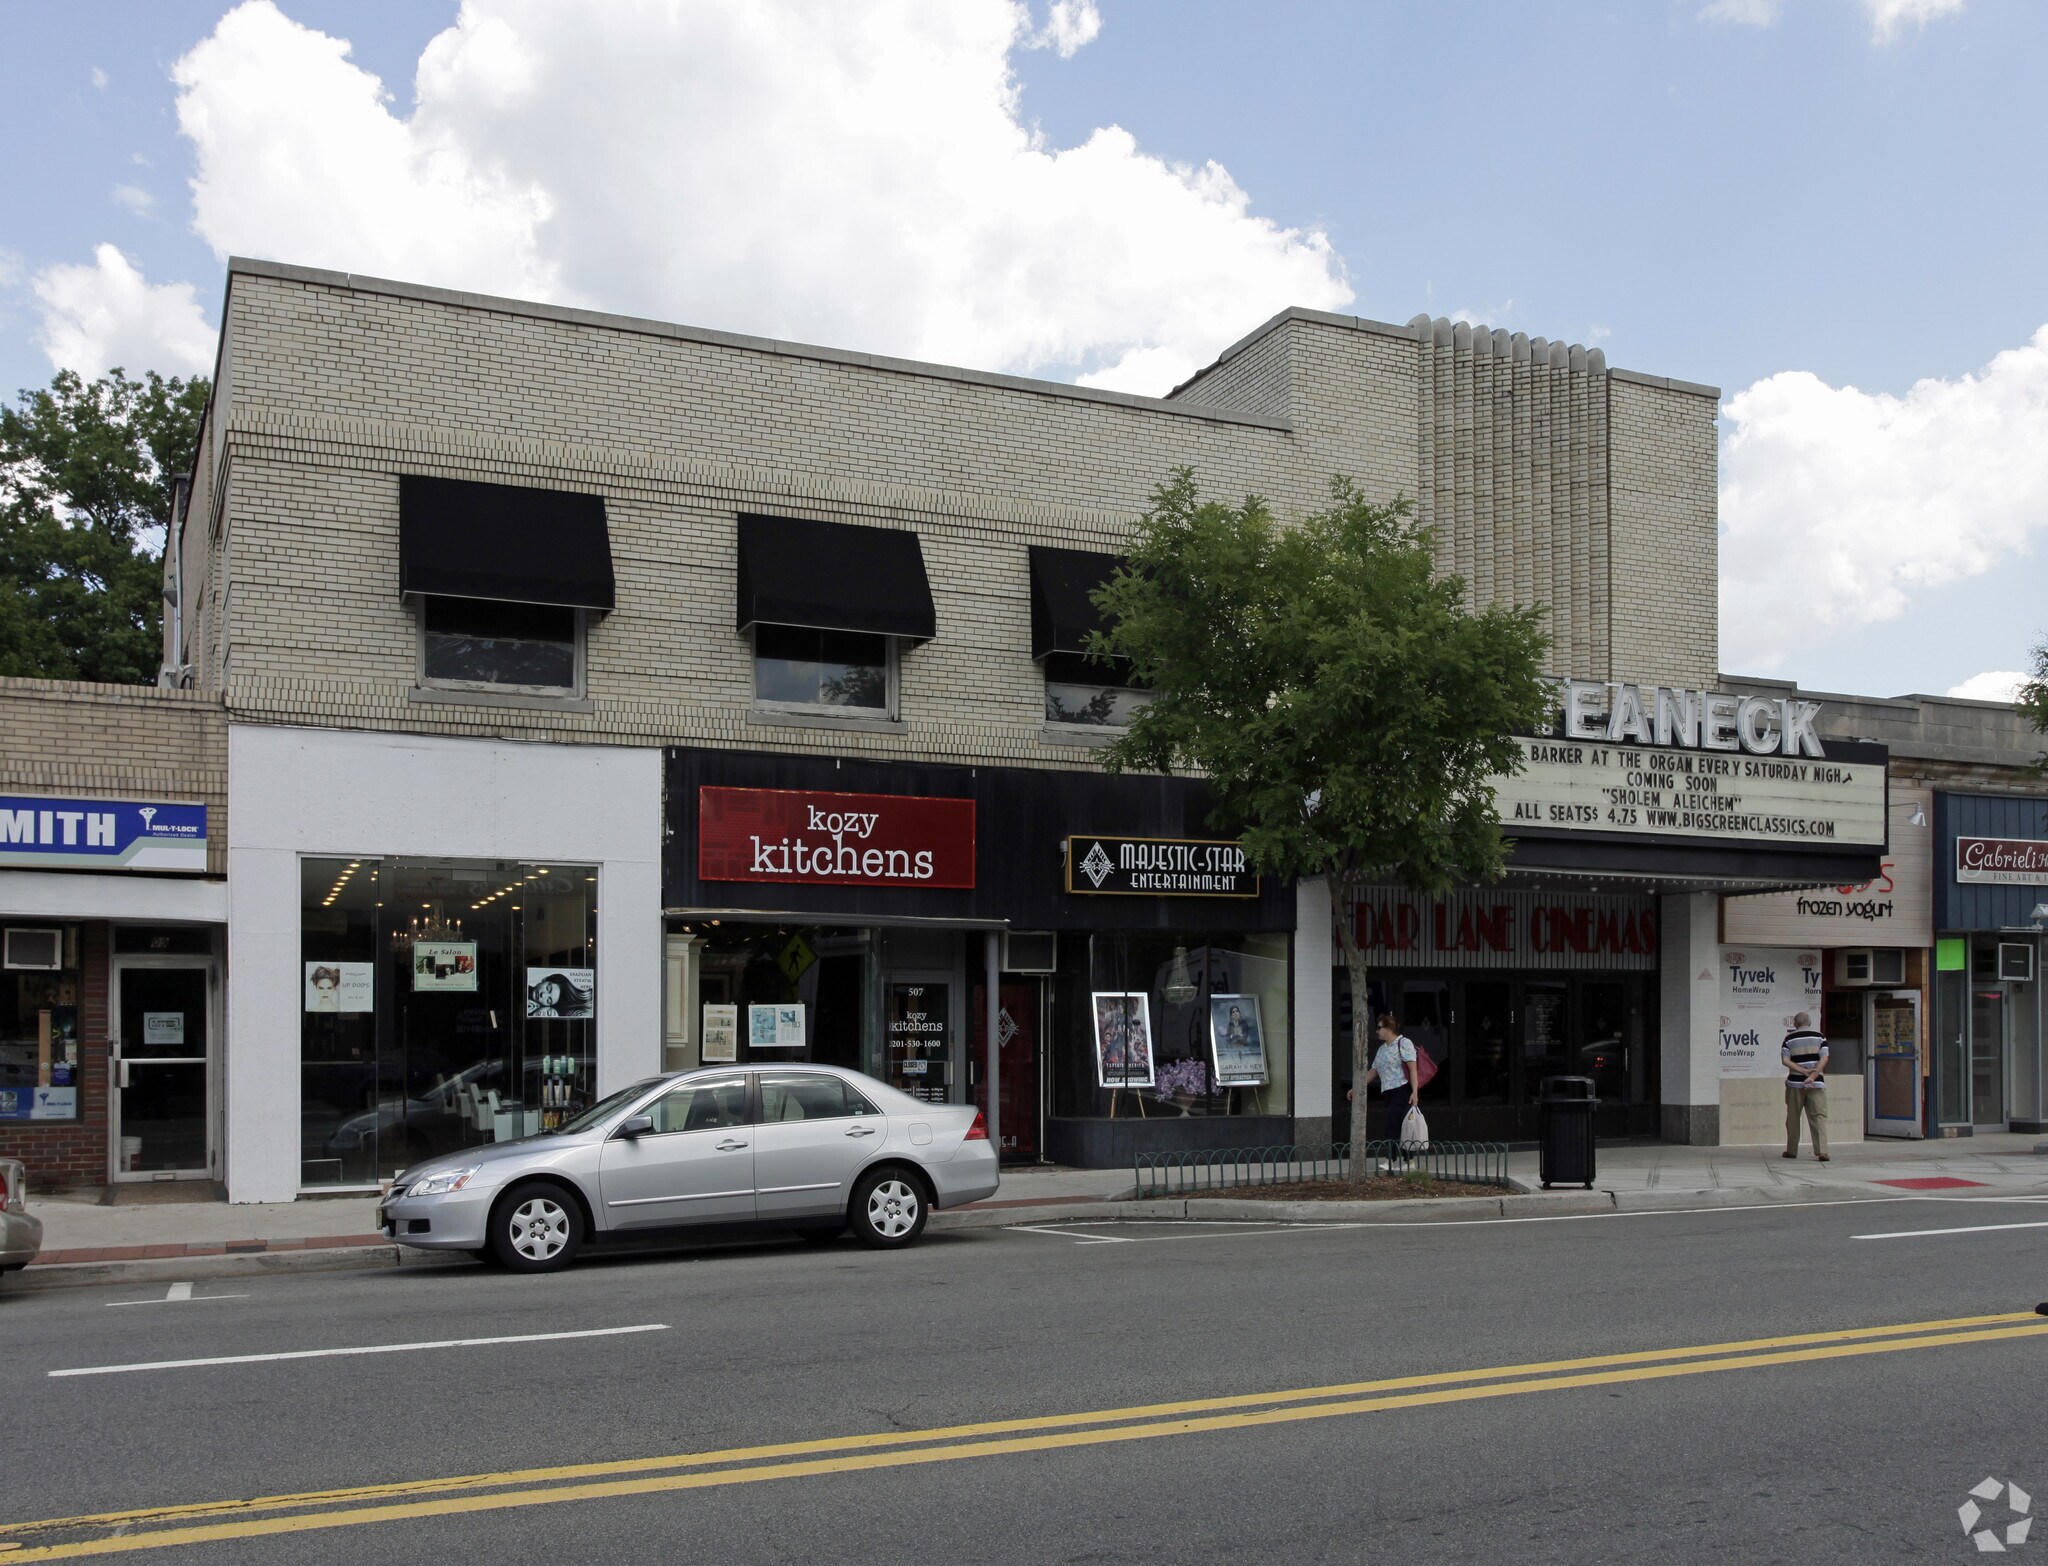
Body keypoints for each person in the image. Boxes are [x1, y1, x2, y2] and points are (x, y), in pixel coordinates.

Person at [1351, 1012, 1419, 1171]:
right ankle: (1407, 1161)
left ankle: (1393, 1160)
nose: (1377, 1031)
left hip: (1402, 1090)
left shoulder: (1404, 1043)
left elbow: (1413, 1069)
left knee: (1395, 1125)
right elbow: (1373, 1071)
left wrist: (1415, 1092)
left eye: (1380, 1028)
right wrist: (1357, 1088)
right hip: (1389, 1092)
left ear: (1389, 1028)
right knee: (1397, 1125)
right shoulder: (1382, 1049)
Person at [1781, 1010, 1830, 1161]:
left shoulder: (1789, 1038)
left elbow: (1785, 1060)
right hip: (1815, 1083)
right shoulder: (1820, 1037)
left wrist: (1802, 1071)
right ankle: (1822, 1151)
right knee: (1818, 1116)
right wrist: (1813, 1075)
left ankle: (1791, 1150)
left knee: (1793, 1117)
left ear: (1795, 1024)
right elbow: (1825, 1058)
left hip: (1795, 1083)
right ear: (1809, 1023)